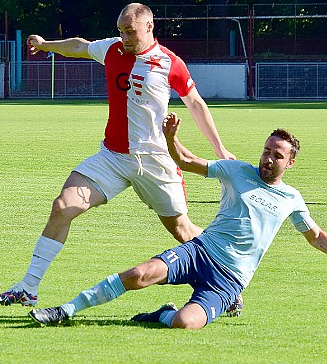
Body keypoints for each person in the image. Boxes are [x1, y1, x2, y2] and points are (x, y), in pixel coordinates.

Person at [0, 3, 236, 309]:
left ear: (149, 27)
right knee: (62, 207)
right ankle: (28, 287)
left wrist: (219, 148)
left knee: (183, 231)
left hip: (154, 161)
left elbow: (195, 103)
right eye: (121, 31)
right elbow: (79, 45)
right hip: (113, 157)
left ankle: (227, 280)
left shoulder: (169, 62)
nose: (125, 38)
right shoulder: (112, 50)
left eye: (130, 32)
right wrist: (45, 44)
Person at [28, 117, 326, 328]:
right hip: (200, 251)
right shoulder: (237, 171)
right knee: (139, 275)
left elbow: (315, 237)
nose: (268, 158)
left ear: (289, 163)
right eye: (266, 151)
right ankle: (66, 310)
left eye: (277, 155)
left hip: (230, 281)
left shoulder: (292, 199)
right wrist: (171, 139)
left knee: (184, 322)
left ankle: (163, 315)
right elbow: (186, 162)